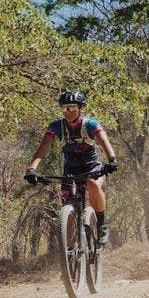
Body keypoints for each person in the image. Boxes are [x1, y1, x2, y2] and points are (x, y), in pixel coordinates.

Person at [25, 90, 118, 244]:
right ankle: (71, 251)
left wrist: (112, 159)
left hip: (92, 166)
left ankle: (101, 225)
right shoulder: (56, 126)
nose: (68, 112)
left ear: (80, 108)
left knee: (93, 184)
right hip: (70, 169)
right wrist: (32, 169)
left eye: (72, 108)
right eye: (65, 108)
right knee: (66, 205)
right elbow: (43, 148)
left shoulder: (90, 124)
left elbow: (104, 141)